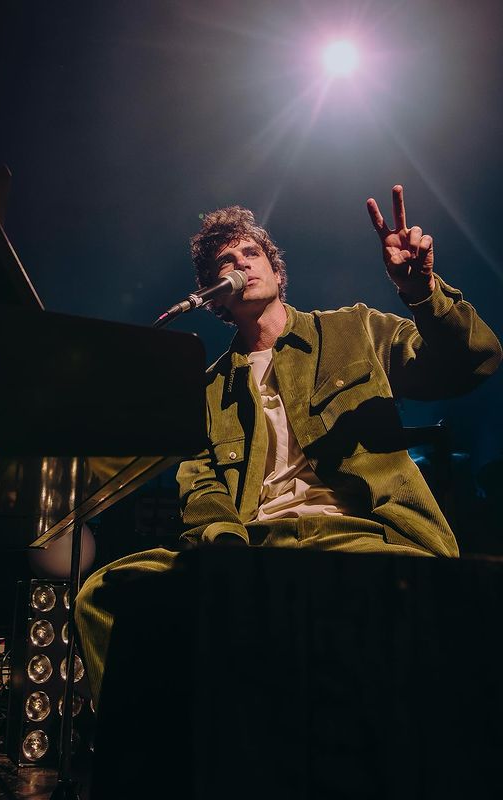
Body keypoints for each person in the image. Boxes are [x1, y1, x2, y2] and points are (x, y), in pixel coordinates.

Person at [76, 185, 502, 707]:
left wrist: (422, 292)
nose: (241, 265)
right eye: (225, 263)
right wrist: (227, 553)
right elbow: (201, 487)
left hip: (360, 537)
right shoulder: (208, 391)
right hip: (252, 546)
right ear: (215, 296)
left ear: (277, 272)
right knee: (104, 595)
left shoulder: (356, 329)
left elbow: (475, 359)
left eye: (251, 253)